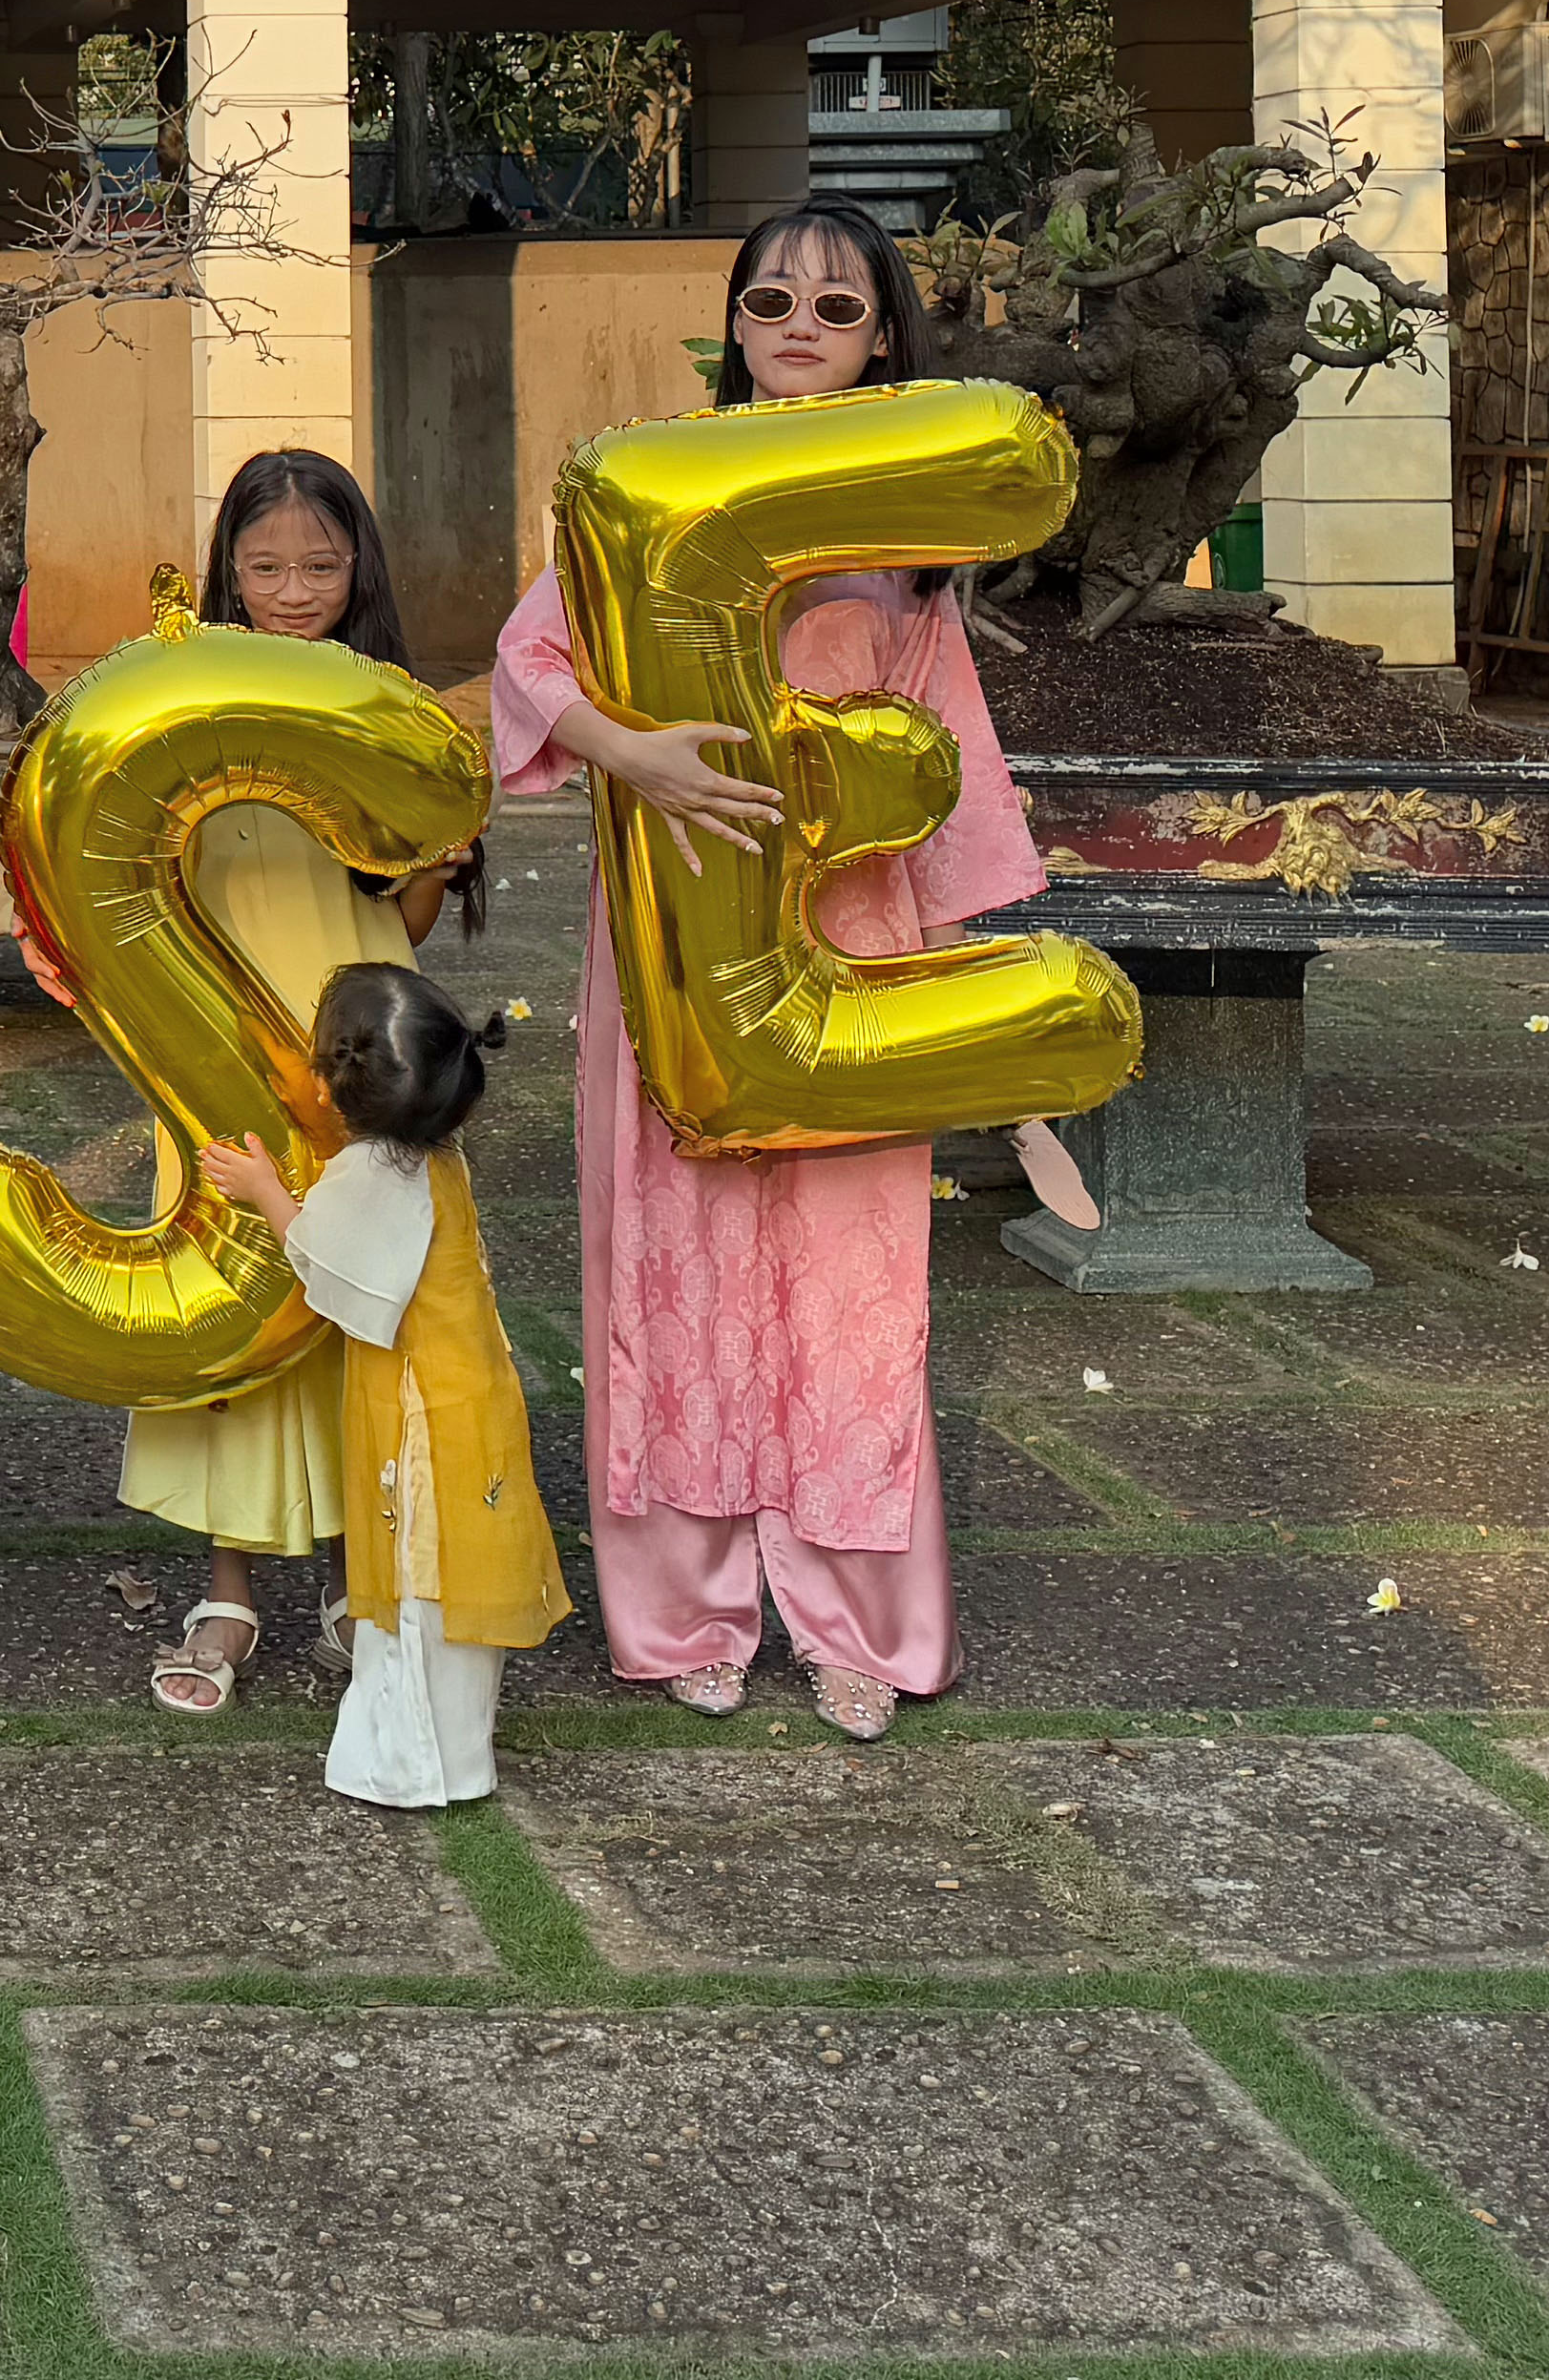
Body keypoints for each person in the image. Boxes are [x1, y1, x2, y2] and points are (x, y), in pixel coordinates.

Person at [487, 198, 1049, 1742]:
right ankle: (685, 1610)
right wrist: (633, 753)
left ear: (884, 337)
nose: (797, 324)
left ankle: (852, 1612)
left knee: (851, 1286)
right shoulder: (653, 495)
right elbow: (528, 662)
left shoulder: (907, 556)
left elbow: (954, 771)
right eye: (769, 299)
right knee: (670, 1270)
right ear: (730, 324)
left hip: (851, 953)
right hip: (677, 942)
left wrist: (973, 1000)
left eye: (837, 305)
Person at [90, 446, 476, 1715]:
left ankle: (374, 1568)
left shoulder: (384, 699)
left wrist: (442, 845)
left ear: (359, 563)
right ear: (226, 571)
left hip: (361, 1019)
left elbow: (403, 912)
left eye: (319, 562)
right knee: (234, 1293)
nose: (294, 587)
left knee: (373, 1290)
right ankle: (229, 1584)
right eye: (265, 565)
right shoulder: (184, 689)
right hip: (217, 1023)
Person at [199, 959, 569, 1806]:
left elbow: (331, 1270)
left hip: (420, 1410)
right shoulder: (438, 1154)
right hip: (468, 1390)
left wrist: (264, 1192)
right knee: (444, 1603)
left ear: (335, 1089)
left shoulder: (376, 1170)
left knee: (417, 1586)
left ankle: (409, 1766)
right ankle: (452, 1755)